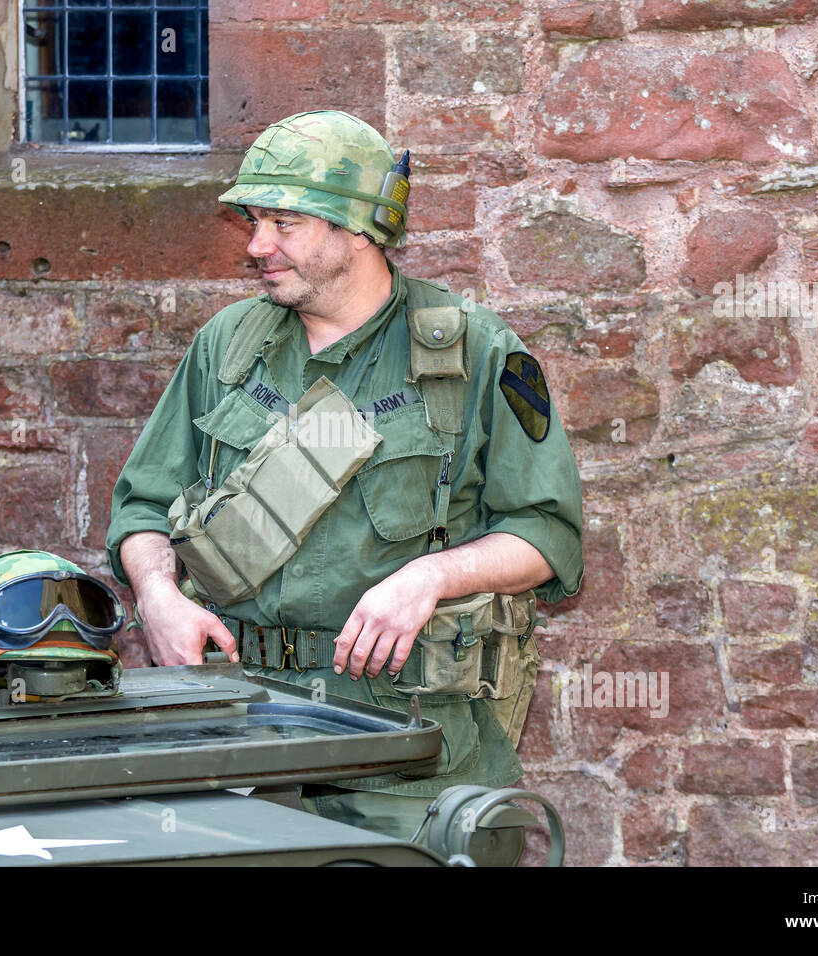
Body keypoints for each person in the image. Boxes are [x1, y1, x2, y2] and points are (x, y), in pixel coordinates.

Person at [106, 110, 583, 841]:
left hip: (409, 750)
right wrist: (158, 595)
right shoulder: (227, 348)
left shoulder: (477, 354)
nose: (257, 245)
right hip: (235, 735)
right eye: (253, 221)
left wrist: (430, 577)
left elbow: (547, 536)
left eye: (284, 223)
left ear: (359, 227)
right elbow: (142, 508)